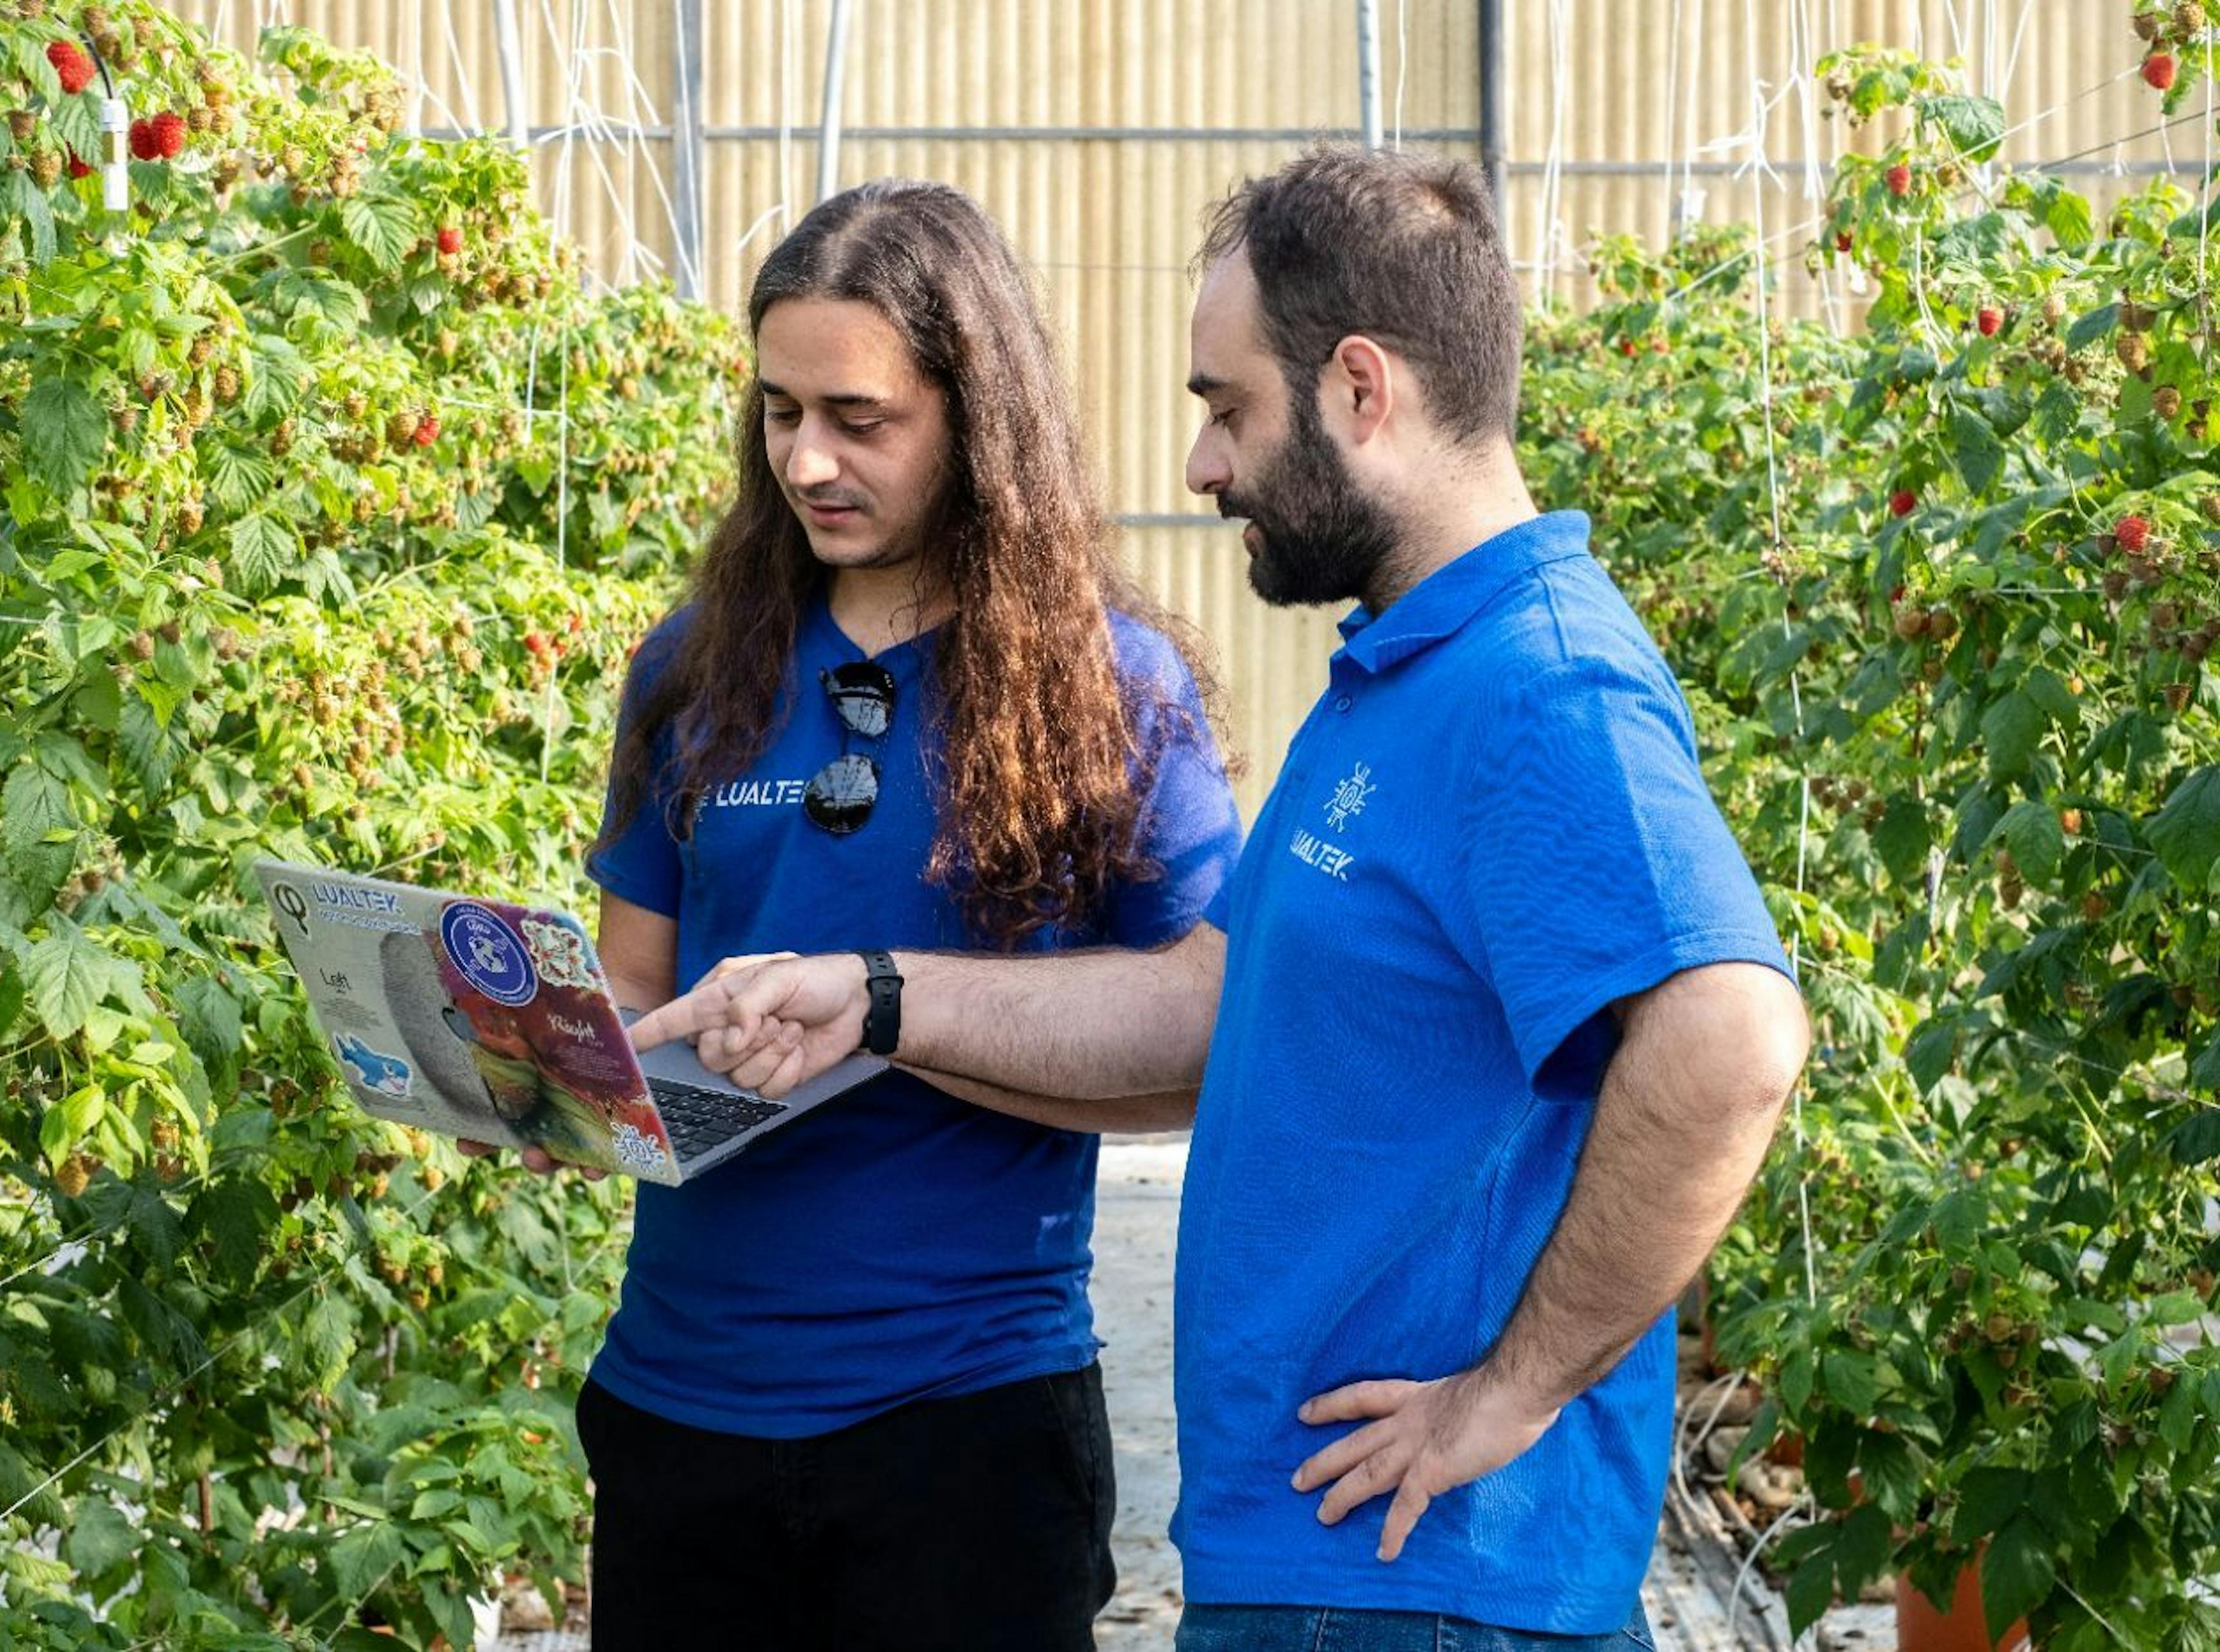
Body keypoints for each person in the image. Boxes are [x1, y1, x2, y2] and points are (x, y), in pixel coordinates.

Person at [634, 148, 1812, 1650]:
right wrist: (876, 993)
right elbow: (1207, 994)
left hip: (1426, 1582)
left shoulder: (1542, 685)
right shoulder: (1401, 675)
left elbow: (1733, 1039)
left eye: (1226, 406)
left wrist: (1508, 1390)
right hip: (1321, 1556)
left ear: (1361, 389)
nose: (1202, 466)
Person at [482, 179, 1241, 1651]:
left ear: (975, 416)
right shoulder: (696, 667)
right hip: (678, 1406)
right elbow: (632, 999)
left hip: (964, 1416)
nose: (808, 460)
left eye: (859, 417)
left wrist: (889, 1018)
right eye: (778, 414)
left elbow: (1209, 1032)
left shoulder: (1109, 688)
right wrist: (527, 1062)